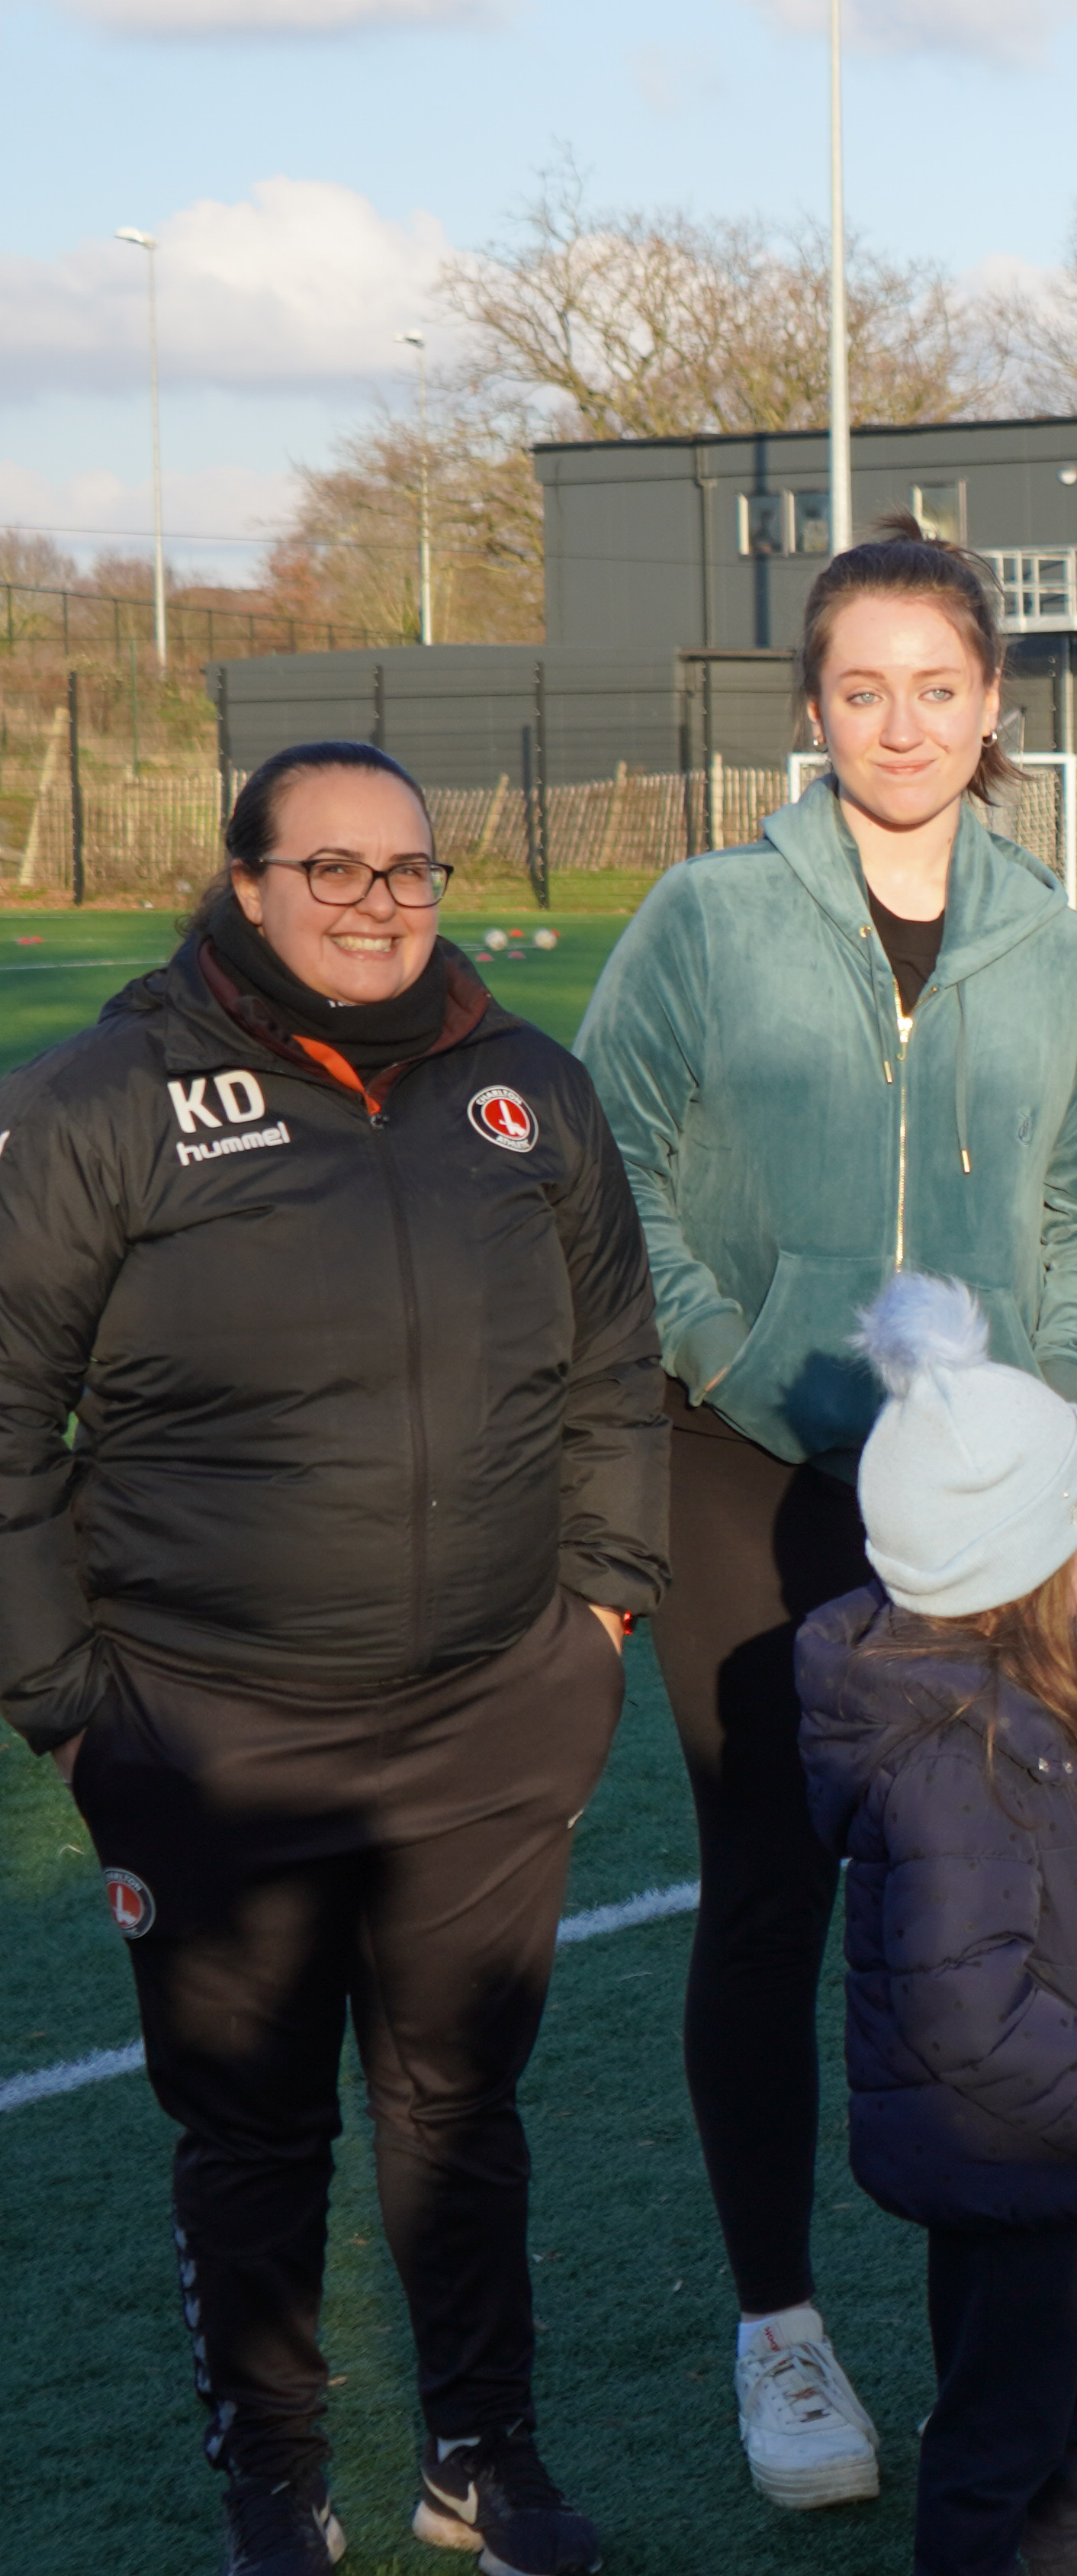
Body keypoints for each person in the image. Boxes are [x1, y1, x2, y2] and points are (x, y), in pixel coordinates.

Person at [0, 742, 661, 2576]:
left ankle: (484, 2455)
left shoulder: (528, 1088)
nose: (377, 902)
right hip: (215, 1731)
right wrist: (67, 1701)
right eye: (334, 869)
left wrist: (598, 1620)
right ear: (249, 879)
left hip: (484, 1719)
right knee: (255, 2129)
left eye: (409, 869)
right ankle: (274, 2479)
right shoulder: (100, 1097)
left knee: (465, 2107)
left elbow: (617, 1366)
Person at [574, 524, 1077, 2507]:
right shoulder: (705, 919)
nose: (901, 724)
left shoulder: (1057, 945)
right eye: (861, 687)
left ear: (996, 706)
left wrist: (1039, 1416)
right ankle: (782, 2332)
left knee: (995, 1890)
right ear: (812, 709)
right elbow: (609, 1166)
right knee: (770, 1891)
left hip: (982, 1509)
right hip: (750, 1467)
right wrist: (736, 1353)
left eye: (939, 687)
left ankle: (997, 2346)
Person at [796, 1277, 1077, 2576]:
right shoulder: (962, 1751)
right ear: (1022, 1565)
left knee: (1074, 2422)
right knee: (1008, 2437)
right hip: (1031, 2142)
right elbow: (962, 2006)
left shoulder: (1017, 1702)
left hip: (1056, 2150)